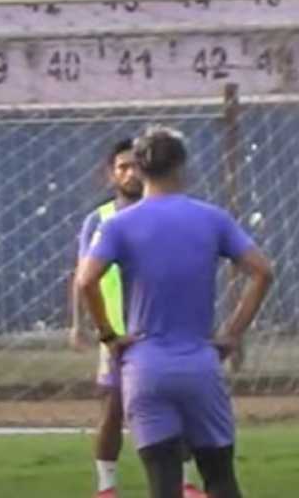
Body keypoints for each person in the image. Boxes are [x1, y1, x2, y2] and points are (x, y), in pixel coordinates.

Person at [76, 127, 274, 498]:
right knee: (219, 476)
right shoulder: (212, 218)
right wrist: (232, 332)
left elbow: (86, 281)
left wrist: (109, 336)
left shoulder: (118, 224)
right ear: (183, 166)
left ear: (140, 168)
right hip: (200, 361)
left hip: (145, 365)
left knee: (163, 484)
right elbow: (263, 271)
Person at [71, 138, 205, 498]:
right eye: (121, 167)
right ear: (110, 174)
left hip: (161, 329)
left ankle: (187, 481)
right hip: (115, 332)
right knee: (112, 410)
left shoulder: (164, 215)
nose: (129, 173)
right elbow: (82, 276)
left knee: (181, 406)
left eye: (134, 166)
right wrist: (81, 325)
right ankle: (106, 486)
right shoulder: (100, 220)